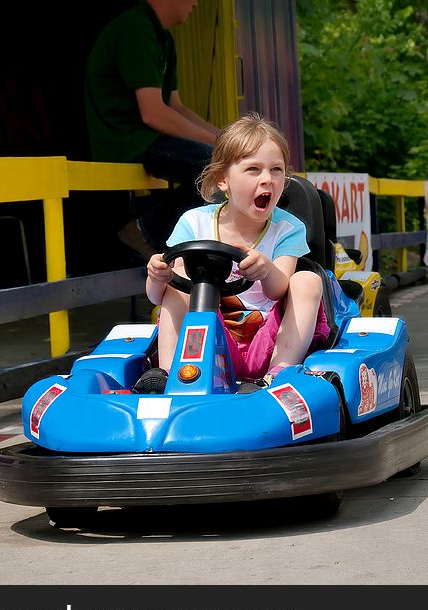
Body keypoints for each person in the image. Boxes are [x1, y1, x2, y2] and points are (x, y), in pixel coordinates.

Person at [139, 113, 330, 393]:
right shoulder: (194, 223)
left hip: (270, 336)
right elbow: (157, 297)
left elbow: (278, 290)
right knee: (178, 277)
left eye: (276, 170)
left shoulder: (287, 228)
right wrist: (157, 276)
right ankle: (169, 374)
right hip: (208, 337)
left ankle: (281, 373)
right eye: (253, 170)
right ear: (222, 180)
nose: (267, 180)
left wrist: (265, 270)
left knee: (306, 281)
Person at [84, 0, 221, 259]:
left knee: (219, 161)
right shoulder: (136, 29)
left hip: (150, 138)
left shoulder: (163, 38)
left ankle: (163, 237)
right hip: (126, 140)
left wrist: (226, 139)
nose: (196, 2)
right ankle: (144, 231)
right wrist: (218, 143)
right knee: (210, 165)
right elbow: (153, 113)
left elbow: (176, 107)